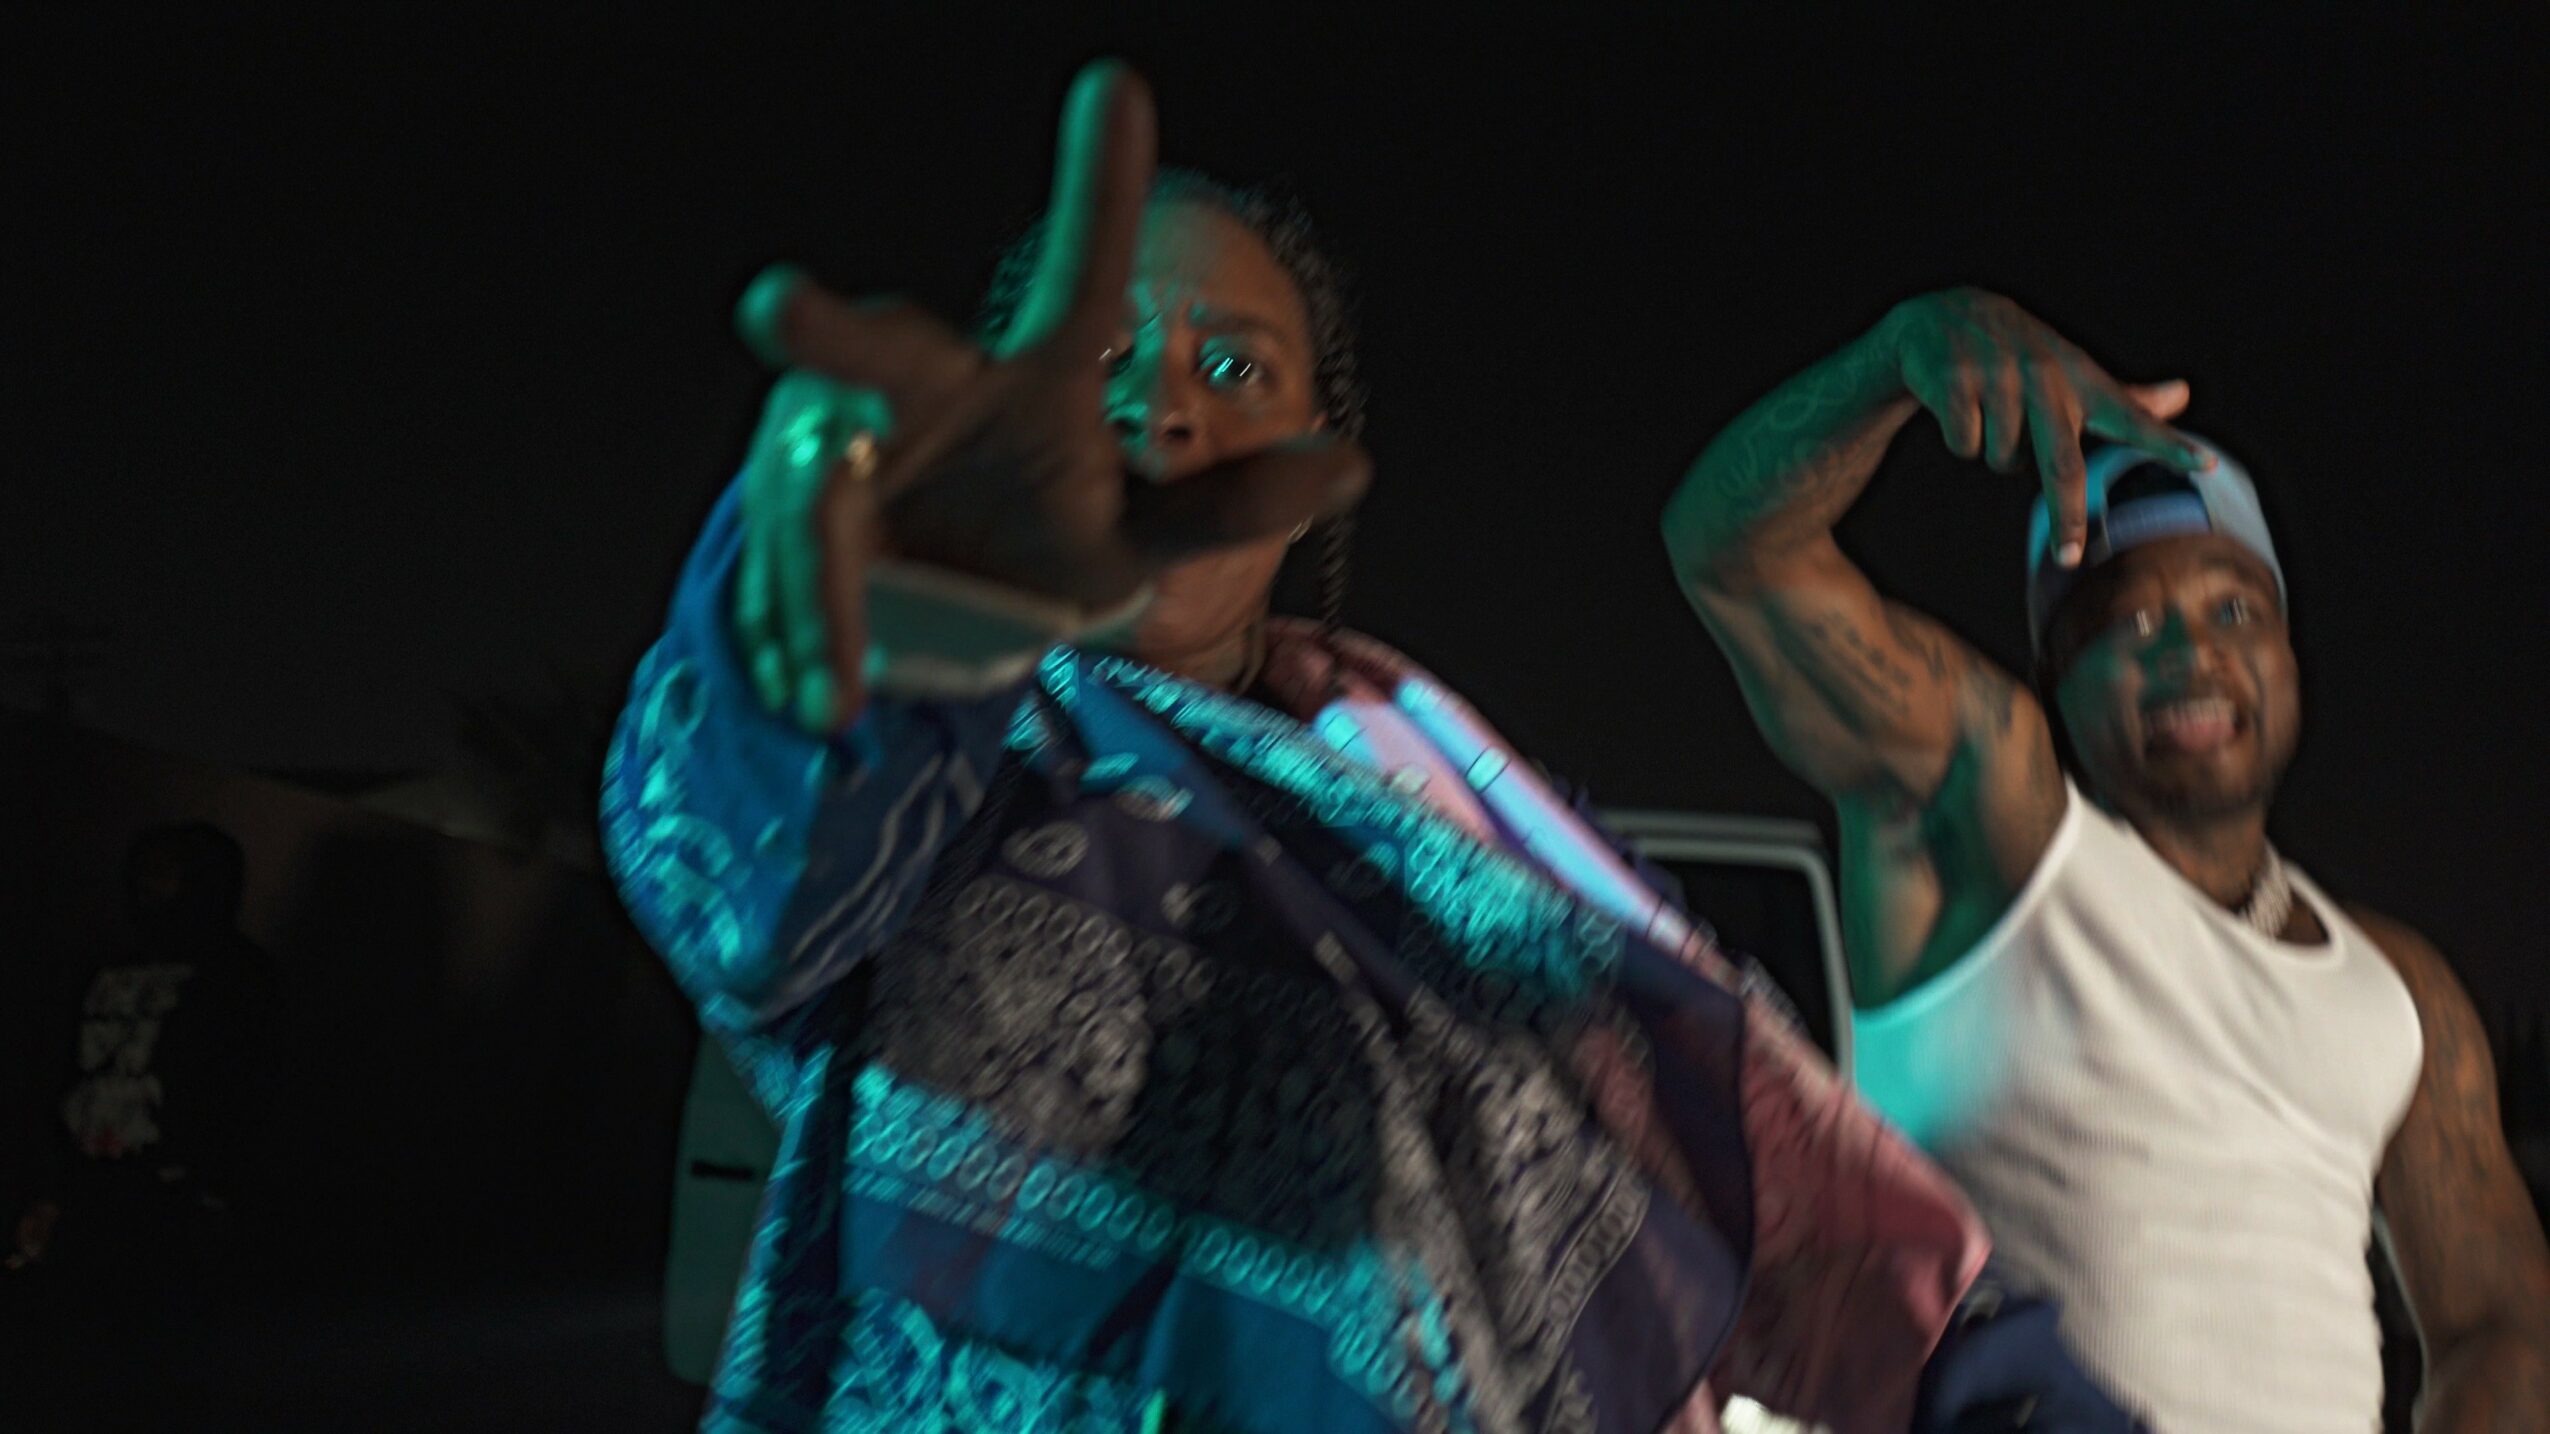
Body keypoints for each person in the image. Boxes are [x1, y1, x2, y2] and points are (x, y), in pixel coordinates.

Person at [604, 62, 2035, 1434]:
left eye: (1230, 364)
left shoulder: (1452, 820)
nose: (1159, 405)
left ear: (1310, 470)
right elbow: (746, 885)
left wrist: (1995, 1389)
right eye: (1100, 359)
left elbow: (1738, 1142)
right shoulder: (933, 762)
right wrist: (871, 638)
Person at [1661, 286, 2550, 1431]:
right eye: (2130, 624)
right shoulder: (1986, 834)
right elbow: (1731, 553)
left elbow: (2501, 1322)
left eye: (2236, 612)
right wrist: (1895, 358)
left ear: (2290, 653)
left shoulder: (2401, 987)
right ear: (2054, 680)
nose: (2194, 654)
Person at [7, 821, 278, 1352]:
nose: (148, 884)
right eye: (144, 870)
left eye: (166, 871)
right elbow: (61, 1068)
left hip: (173, 1192)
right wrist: (50, 1186)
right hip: (94, 1185)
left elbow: (246, 1083)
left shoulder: (241, 975)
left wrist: (218, 1187)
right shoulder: (105, 965)